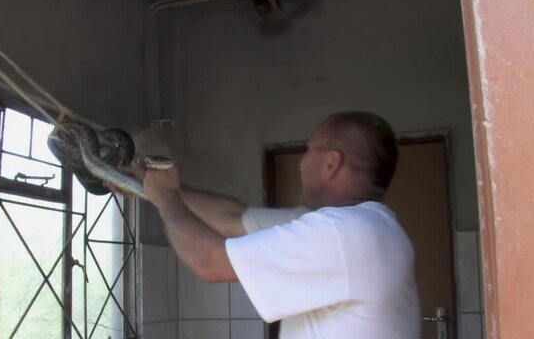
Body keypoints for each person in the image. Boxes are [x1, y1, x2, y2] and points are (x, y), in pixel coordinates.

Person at [113, 111, 420, 339]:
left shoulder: (347, 233)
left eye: (308, 149)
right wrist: (150, 186)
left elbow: (210, 263)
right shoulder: (363, 229)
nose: (302, 162)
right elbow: (230, 219)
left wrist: (167, 199)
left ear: (331, 163)